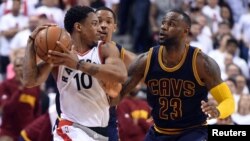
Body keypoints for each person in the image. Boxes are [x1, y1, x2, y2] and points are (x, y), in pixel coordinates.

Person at [119, 9, 235, 140]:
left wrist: (218, 111)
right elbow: (119, 94)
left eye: (172, 24)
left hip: (193, 132)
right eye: (163, 23)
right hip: (158, 131)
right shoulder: (145, 60)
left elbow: (228, 101)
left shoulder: (202, 63)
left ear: (185, 31)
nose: (163, 27)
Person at [22, 5, 127, 141]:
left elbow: (121, 74)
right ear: (79, 27)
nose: (100, 28)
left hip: (99, 132)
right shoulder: (59, 52)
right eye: (95, 23)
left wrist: (78, 65)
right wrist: (31, 43)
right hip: (70, 129)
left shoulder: (105, 48)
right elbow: (30, 81)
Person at [95, 6, 136, 141]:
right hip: (78, 117)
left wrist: (122, 91)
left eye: (108, 22)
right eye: (99, 21)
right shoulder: (81, 48)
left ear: (115, 27)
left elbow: (145, 71)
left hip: (107, 116)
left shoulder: (121, 53)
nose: (103, 26)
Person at [0, 57, 41, 141]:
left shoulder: (34, 87)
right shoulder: (5, 85)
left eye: (23, 65)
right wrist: (19, 90)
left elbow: (37, 112)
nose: (20, 68)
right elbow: (6, 109)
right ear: (14, 68)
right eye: (18, 66)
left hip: (27, 131)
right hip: (8, 131)